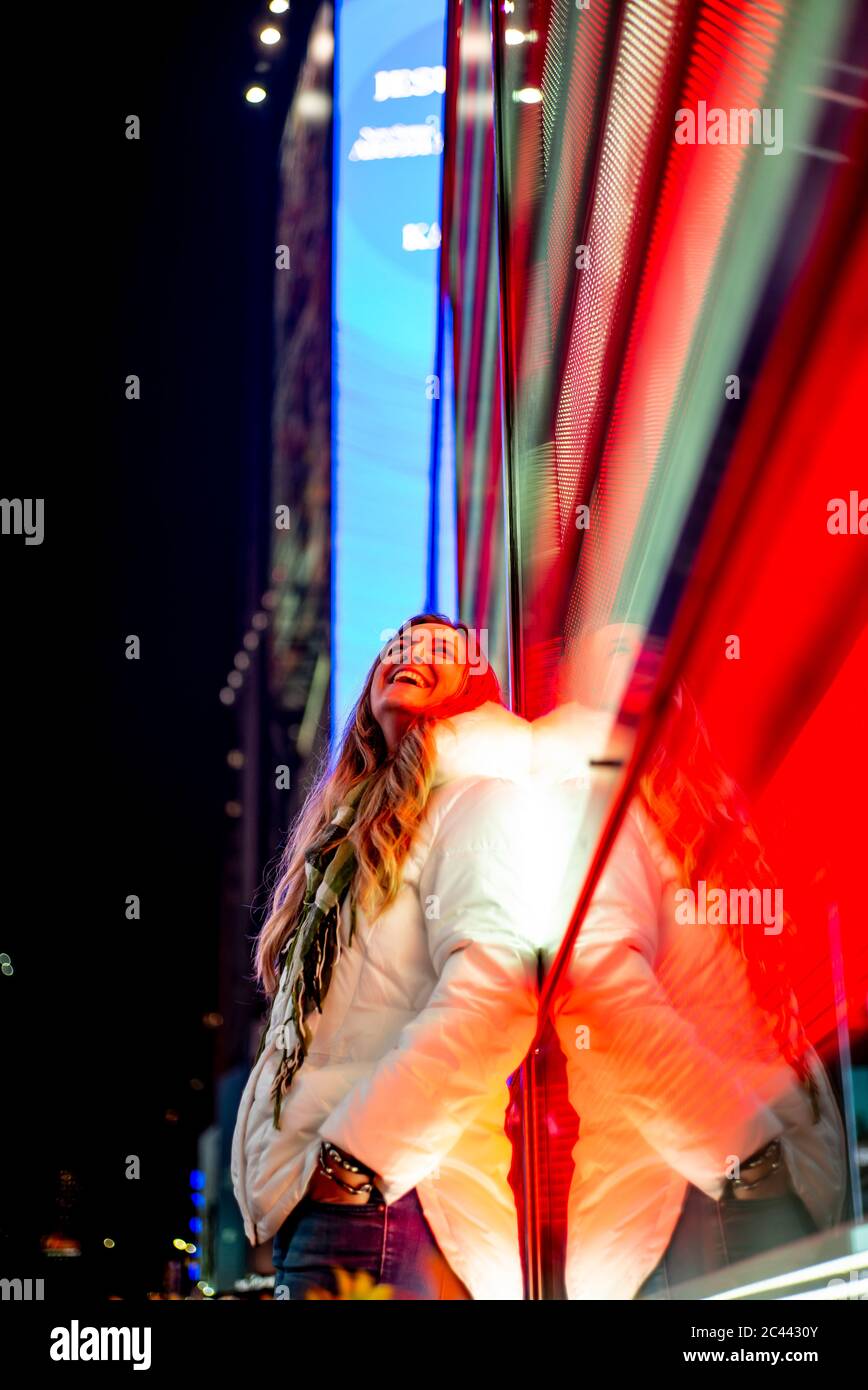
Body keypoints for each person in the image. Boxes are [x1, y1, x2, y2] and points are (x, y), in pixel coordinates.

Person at [231, 613, 540, 1299]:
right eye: (398, 643)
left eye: (441, 650)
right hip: (335, 1207)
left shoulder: (480, 801)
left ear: (471, 687)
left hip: (394, 1204)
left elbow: (495, 999)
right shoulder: (352, 838)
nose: (410, 653)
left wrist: (356, 1162)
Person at [542, 628, 847, 1300]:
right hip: (700, 1201)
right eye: (619, 652)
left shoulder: (699, 804)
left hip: (754, 1186)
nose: (646, 659)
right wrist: (748, 1156)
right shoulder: (590, 799)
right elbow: (601, 1000)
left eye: (655, 647)